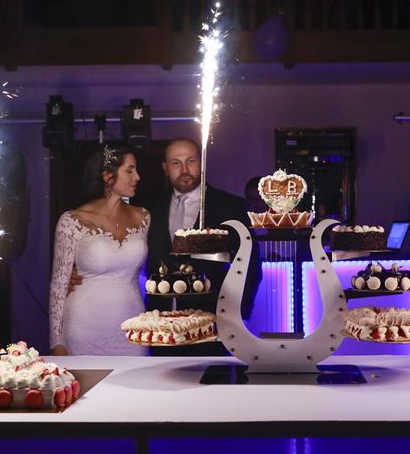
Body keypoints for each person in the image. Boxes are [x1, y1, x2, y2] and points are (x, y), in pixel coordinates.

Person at [147, 137, 258, 355]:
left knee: (214, 385)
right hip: (160, 326)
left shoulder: (231, 206)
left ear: (202, 164)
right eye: (175, 163)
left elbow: (250, 264)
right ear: (165, 168)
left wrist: (238, 313)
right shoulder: (152, 207)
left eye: (191, 161)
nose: (184, 169)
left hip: (214, 323)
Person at [49, 144, 149, 356]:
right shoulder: (72, 220)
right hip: (84, 326)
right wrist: (56, 342)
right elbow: (58, 286)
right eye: (129, 170)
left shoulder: (143, 217)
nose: (137, 177)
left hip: (133, 325)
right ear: (107, 176)